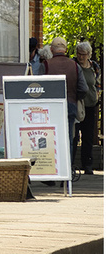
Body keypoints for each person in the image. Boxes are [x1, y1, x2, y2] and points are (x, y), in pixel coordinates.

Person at [44, 38, 87, 177]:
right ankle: (66, 173)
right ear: (66, 50)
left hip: (49, 107)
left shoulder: (46, 65)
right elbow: (84, 89)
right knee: (67, 139)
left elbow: (36, 86)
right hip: (70, 105)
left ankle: (50, 173)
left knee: (48, 138)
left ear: (51, 50)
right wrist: (74, 97)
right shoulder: (75, 66)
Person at [75, 42, 98, 175]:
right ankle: (72, 163)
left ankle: (87, 164)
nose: (81, 57)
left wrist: (97, 94)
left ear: (88, 55)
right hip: (78, 104)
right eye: (79, 54)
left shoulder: (94, 66)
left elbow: (98, 82)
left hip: (90, 104)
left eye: (83, 54)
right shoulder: (74, 65)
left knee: (88, 136)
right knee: (75, 135)